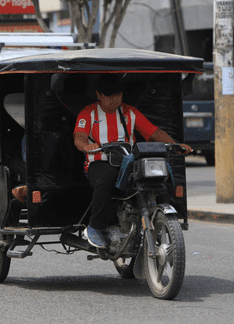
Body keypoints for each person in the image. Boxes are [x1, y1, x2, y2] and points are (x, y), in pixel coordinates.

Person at [73, 74, 192, 250]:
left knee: (159, 176)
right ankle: (95, 227)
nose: (114, 100)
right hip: (99, 163)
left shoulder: (129, 112)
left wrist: (174, 144)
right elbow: (79, 137)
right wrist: (87, 146)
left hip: (128, 163)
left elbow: (153, 132)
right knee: (107, 177)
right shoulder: (88, 113)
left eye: (118, 95)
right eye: (109, 96)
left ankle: (161, 220)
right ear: (99, 95)